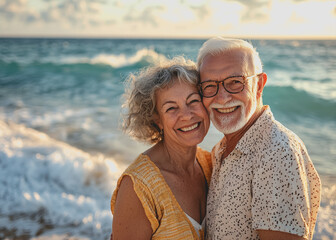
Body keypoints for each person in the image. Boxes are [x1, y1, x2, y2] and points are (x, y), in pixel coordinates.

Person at [197, 37, 321, 240]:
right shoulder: (221, 149)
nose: (222, 97)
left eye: (235, 82)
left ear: (259, 85)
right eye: (210, 85)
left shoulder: (276, 152)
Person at [111, 56, 212, 239]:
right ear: (157, 120)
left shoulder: (210, 164)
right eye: (171, 108)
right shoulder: (139, 186)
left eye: (193, 101)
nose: (187, 115)